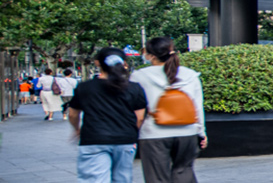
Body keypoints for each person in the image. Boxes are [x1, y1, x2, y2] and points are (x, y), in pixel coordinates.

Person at [67, 48, 146, 183]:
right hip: (125, 139)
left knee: (95, 179)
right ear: (124, 63)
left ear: (97, 63)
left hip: (93, 138)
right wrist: (132, 131)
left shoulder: (85, 87)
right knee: (122, 178)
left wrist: (76, 129)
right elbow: (140, 117)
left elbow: (73, 114)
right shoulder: (134, 87)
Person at [134, 36, 205, 183]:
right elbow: (197, 107)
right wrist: (201, 132)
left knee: (156, 177)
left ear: (150, 55)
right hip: (187, 131)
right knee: (184, 172)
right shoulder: (190, 75)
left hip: (153, 133)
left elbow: (135, 108)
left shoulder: (139, 76)